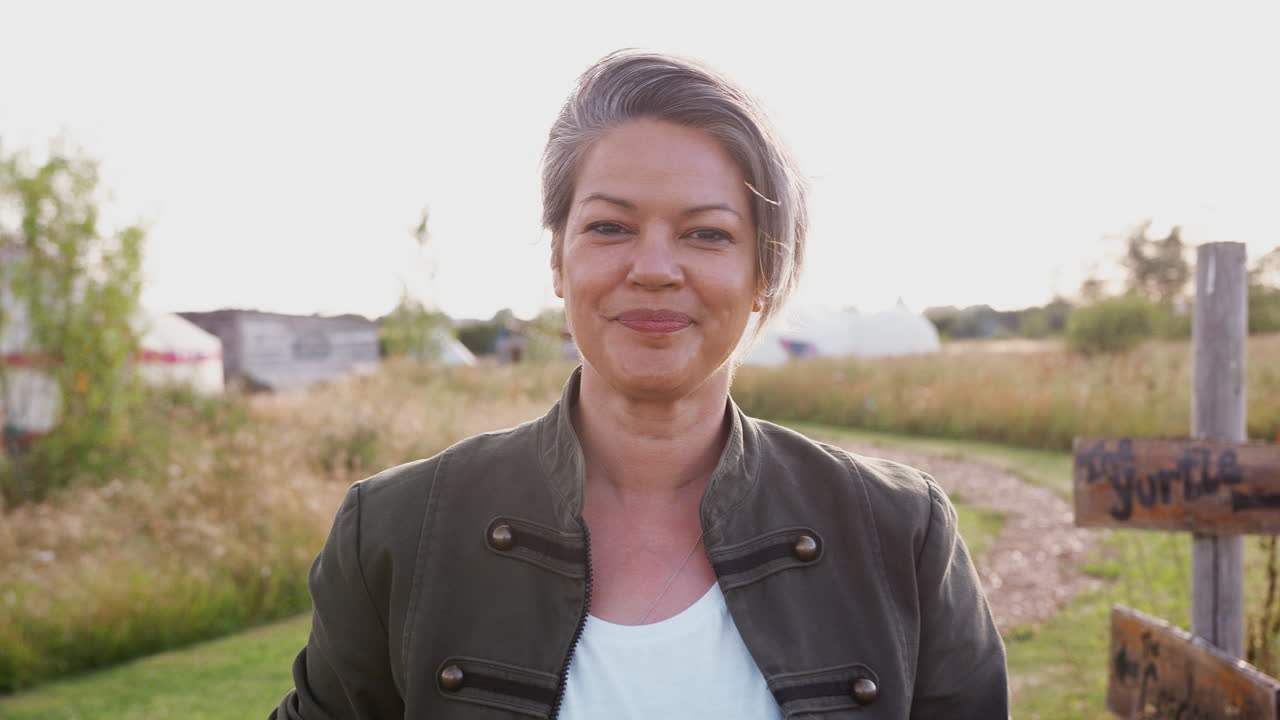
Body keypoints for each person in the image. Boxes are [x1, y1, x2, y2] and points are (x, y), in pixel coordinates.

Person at [271, 50, 1007, 720]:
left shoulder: (899, 534)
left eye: (707, 233)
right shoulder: (398, 533)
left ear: (764, 273)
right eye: (610, 227)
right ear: (558, 262)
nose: (654, 267)